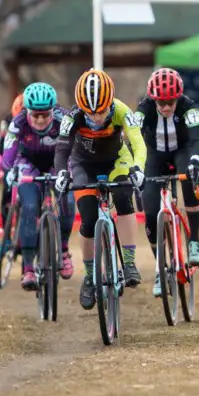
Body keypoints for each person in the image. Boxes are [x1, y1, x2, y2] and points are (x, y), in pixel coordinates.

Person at [53, 68, 147, 311]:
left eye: (102, 111)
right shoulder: (72, 117)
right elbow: (62, 148)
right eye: (90, 113)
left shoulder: (122, 110)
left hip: (117, 160)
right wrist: (62, 172)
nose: (95, 118)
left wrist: (138, 167)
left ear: (110, 103)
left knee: (124, 197)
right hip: (83, 164)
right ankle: (89, 277)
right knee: (87, 218)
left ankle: (128, 263)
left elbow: (137, 142)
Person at [135, 68, 199, 297]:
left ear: (178, 98)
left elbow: (196, 138)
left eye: (170, 102)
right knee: (150, 209)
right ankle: (160, 268)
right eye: (161, 102)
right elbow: (133, 133)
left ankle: (194, 240)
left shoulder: (189, 107)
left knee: (189, 177)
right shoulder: (144, 108)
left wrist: (196, 160)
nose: (165, 107)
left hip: (182, 151)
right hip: (154, 154)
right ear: (153, 99)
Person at [1, 82, 76, 290]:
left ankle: (63, 248)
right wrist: (9, 172)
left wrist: (73, 171)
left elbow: (77, 147)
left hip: (56, 162)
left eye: (45, 115)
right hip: (28, 163)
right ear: (28, 112)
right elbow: (8, 154)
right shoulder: (18, 122)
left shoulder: (64, 118)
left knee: (68, 199)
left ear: (53, 110)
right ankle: (28, 268)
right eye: (36, 115)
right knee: (30, 207)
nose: (41, 120)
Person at [0, 93, 24, 257]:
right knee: (7, 196)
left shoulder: (41, 117)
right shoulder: (7, 120)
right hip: (12, 157)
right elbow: (3, 141)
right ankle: (6, 238)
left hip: (31, 158)